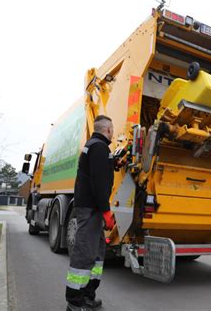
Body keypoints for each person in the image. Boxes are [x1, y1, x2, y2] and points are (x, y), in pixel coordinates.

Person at [65, 115, 116, 311]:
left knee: (96, 252)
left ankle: (87, 295)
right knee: (85, 252)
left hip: (90, 208)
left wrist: (113, 163)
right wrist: (106, 211)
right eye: (112, 129)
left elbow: (98, 173)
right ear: (108, 130)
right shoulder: (99, 148)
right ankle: (74, 302)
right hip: (92, 209)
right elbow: (99, 182)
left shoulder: (95, 146)